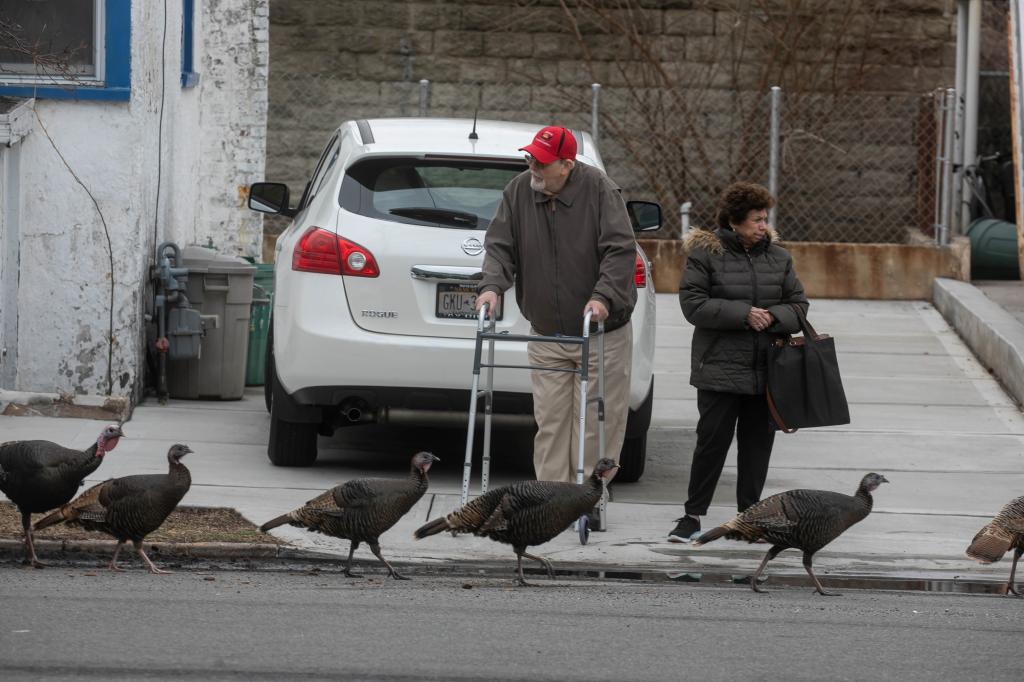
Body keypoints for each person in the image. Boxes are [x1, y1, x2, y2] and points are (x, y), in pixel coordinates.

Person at [475, 125, 637, 485]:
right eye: (531, 157)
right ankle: (551, 497)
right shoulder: (518, 191)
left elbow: (619, 250)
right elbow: (500, 246)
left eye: (543, 162)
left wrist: (603, 296)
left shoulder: (599, 190)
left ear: (566, 164)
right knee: (550, 423)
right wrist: (491, 286)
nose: (533, 165)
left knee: (596, 422)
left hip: (599, 333)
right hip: (547, 332)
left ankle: (589, 495)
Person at [668, 181, 808, 543]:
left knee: (757, 446)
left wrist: (773, 317)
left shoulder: (779, 257)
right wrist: (744, 314)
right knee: (711, 444)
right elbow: (693, 304)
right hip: (719, 369)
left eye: (765, 219)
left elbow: (799, 306)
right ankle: (692, 516)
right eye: (756, 220)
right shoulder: (705, 254)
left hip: (767, 370)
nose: (763, 226)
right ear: (734, 221)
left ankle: (750, 519)